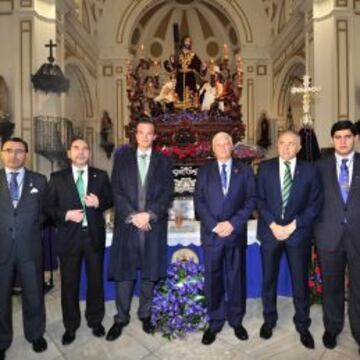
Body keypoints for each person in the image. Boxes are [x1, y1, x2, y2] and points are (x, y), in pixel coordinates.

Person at [107, 119, 173, 341]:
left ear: (155, 137)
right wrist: (134, 216)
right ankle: (121, 318)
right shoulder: (122, 158)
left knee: (149, 272)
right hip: (128, 226)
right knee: (124, 275)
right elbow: (115, 189)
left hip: (153, 226)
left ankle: (145, 314)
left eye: (149, 133)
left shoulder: (164, 161)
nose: (145, 137)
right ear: (135, 135)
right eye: (141, 133)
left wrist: (149, 214)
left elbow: (167, 193)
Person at [256, 130, 322, 349]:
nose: (286, 148)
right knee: (268, 280)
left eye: (291, 144)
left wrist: (293, 226)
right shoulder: (265, 168)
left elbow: (315, 204)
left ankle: (302, 324)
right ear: (278, 145)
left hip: (298, 234)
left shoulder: (311, 170)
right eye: (282, 143)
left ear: (299, 147)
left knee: (300, 282)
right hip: (270, 232)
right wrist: (274, 226)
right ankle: (269, 320)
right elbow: (259, 200)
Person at [46, 137, 112, 346]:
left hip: (93, 237)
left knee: (95, 282)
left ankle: (95, 321)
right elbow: (47, 208)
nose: (81, 152)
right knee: (69, 284)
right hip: (68, 239)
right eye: (76, 148)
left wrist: (99, 202)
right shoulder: (57, 178)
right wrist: (65, 214)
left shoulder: (100, 176)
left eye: (85, 148)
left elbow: (111, 199)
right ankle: (71, 325)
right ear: (69, 153)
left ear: (89, 153)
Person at [194, 132, 256, 345]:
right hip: (212, 235)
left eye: (226, 143)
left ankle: (236, 320)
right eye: (218, 144)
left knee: (237, 278)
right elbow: (199, 201)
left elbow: (251, 200)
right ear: (213, 148)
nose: (222, 147)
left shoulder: (245, 170)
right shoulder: (204, 171)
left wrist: (232, 223)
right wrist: (214, 225)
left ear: (232, 146)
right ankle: (215, 321)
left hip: (235, 233)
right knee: (214, 279)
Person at [314, 120, 360, 354]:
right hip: (329, 235)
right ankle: (332, 328)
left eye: (348, 137)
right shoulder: (319, 167)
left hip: (358, 235)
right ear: (332, 140)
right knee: (332, 286)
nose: (343, 141)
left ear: (354, 139)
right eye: (338, 137)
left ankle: (359, 331)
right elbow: (312, 203)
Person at [0, 137, 48, 359]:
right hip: (1, 249)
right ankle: (2, 339)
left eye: (19, 151)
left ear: (26, 155)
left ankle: (35, 334)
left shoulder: (39, 180)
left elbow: (46, 212)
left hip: (30, 247)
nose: (13, 155)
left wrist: (29, 227)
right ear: (1, 153)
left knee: (34, 293)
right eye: (8, 150)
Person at [165, 35, 206, 101]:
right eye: (187, 41)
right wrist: (171, 62)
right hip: (180, 76)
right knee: (179, 94)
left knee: (190, 94)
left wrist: (203, 67)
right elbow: (174, 66)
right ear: (183, 42)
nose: (188, 43)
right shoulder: (178, 54)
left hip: (190, 77)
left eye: (189, 41)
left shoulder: (193, 54)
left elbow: (199, 65)